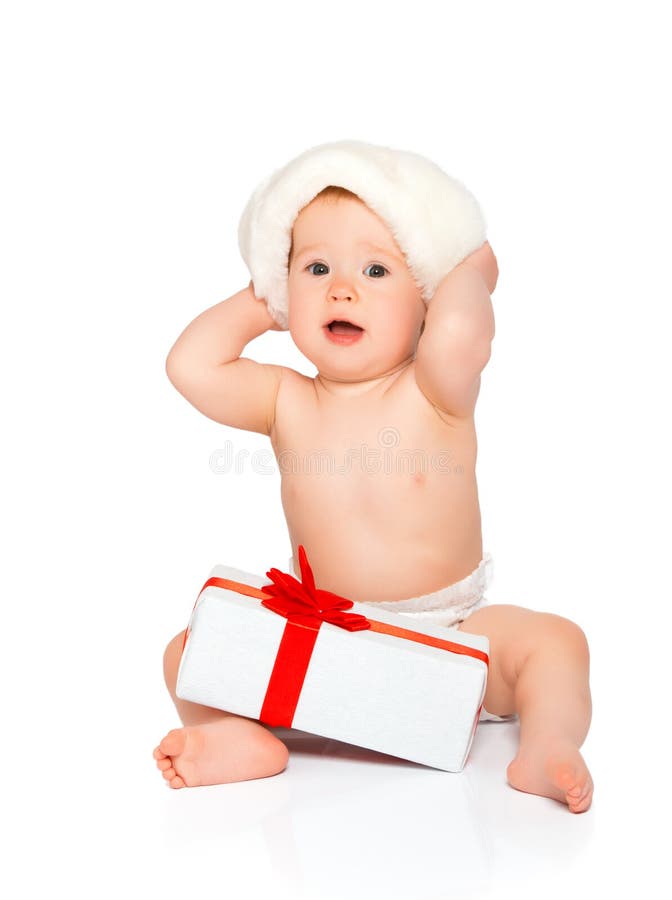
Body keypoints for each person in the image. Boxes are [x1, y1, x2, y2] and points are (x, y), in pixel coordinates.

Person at [153, 141, 593, 813]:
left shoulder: (433, 389)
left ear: (425, 300)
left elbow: (458, 335)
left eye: (377, 270)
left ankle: (549, 746)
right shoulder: (285, 399)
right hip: (328, 644)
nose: (342, 288)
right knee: (187, 650)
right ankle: (235, 738)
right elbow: (192, 366)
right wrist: (260, 299)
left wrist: (468, 269)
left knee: (555, 643)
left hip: (452, 630)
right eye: (316, 267)